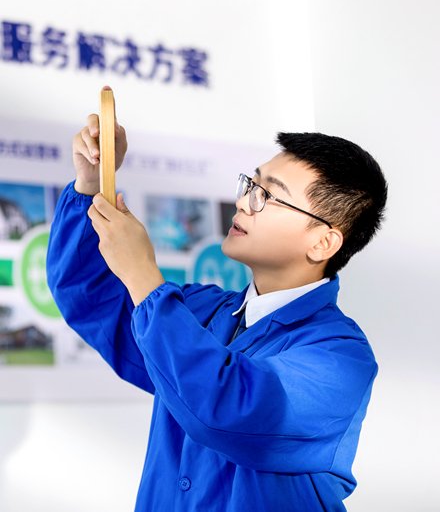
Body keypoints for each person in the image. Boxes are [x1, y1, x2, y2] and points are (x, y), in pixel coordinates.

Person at [47, 86, 388, 511]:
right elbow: (91, 299)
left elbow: (227, 408)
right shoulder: (202, 311)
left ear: (323, 242)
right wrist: (91, 184)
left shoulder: (339, 358)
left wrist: (143, 276)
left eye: (268, 195)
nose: (243, 201)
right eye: (251, 183)